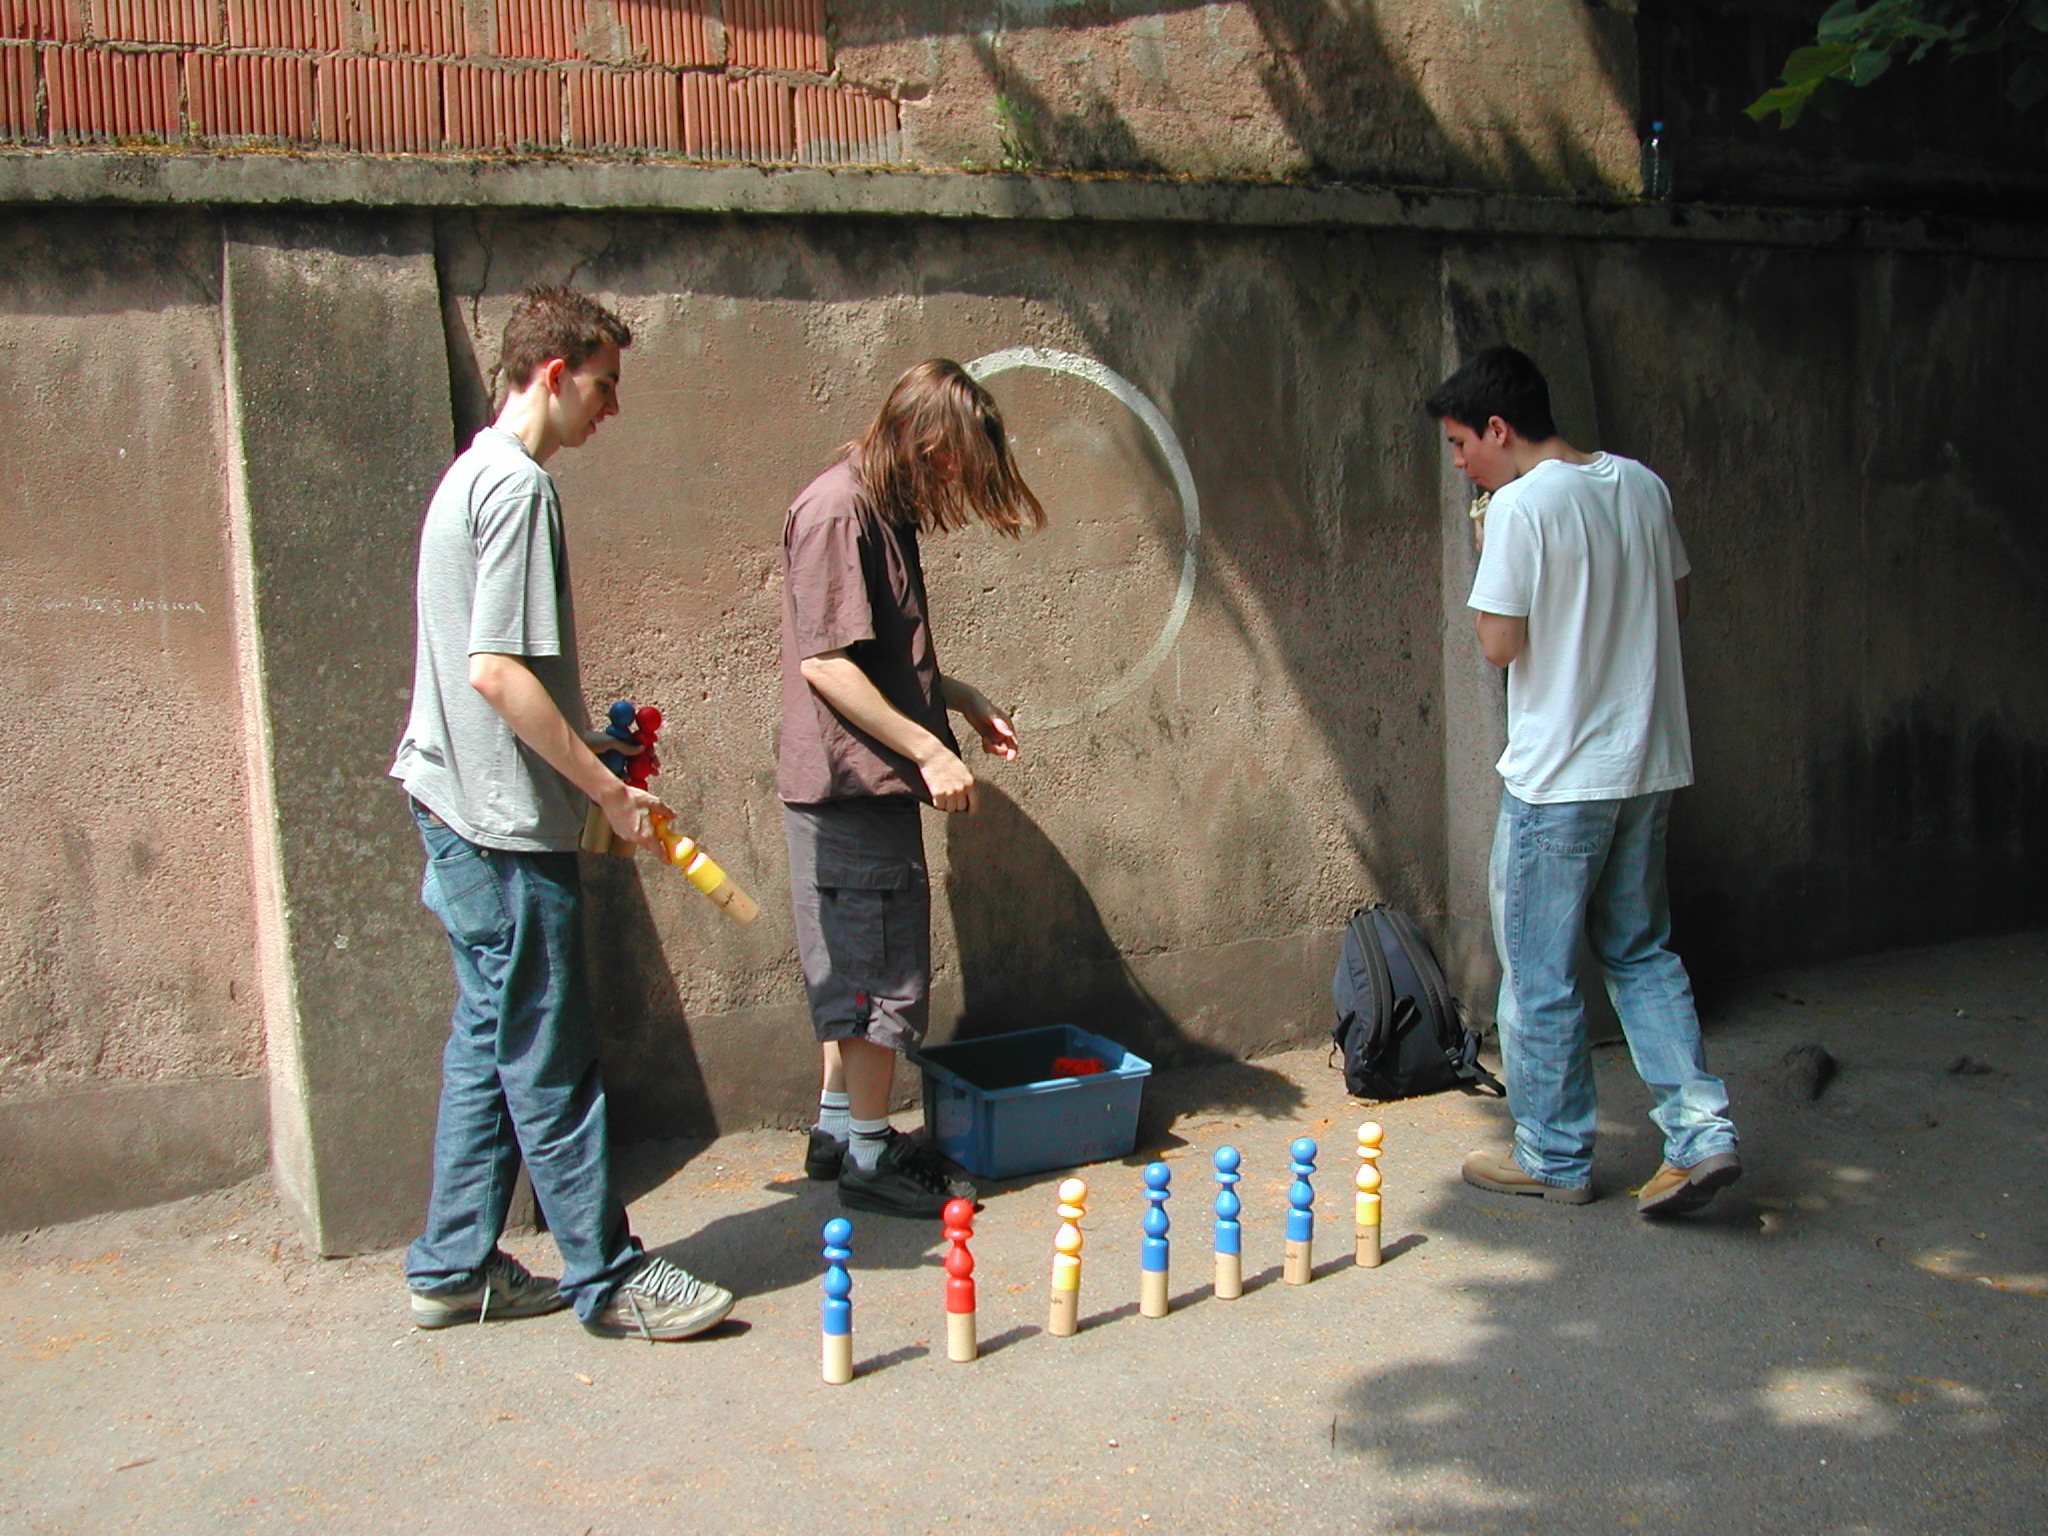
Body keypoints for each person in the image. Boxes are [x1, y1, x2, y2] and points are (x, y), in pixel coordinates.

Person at [391, 286, 735, 1337]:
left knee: (489, 1037)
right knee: (546, 1047)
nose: (612, 408)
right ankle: (609, 1279)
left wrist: (583, 743)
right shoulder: (519, 488)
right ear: (553, 374)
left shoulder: (468, 476)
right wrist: (606, 789)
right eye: (604, 385)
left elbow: (490, 677)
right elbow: (494, 671)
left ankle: (453, 1265)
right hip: (498, 827)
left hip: (456, 805)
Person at [1429, 345, 1742, 1218]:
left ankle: (1554, 1156)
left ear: (1498, 429)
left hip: (1559, 778)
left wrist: (1489, 546)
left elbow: (1499, 644)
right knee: (1640, 952)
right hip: (1647, 765)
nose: (1459, 465)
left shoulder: (1520, 506)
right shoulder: (1641, 485)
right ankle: (1702, 1133)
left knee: (1539, 975)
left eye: (1460, 444)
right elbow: (1676, 604)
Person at [779, 358, 1045, 1218]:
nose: (956, 483)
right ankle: (869, 1152)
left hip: (860, 788)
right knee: (876, 977)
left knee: (854, 966)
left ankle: (836, 1129)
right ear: (928, 442)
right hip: (850, 791)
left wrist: (956, 698)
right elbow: (825, 664)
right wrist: (928, 751)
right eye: (956, 464)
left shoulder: (878, 507)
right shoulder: (839, 511)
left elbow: (872, 658)